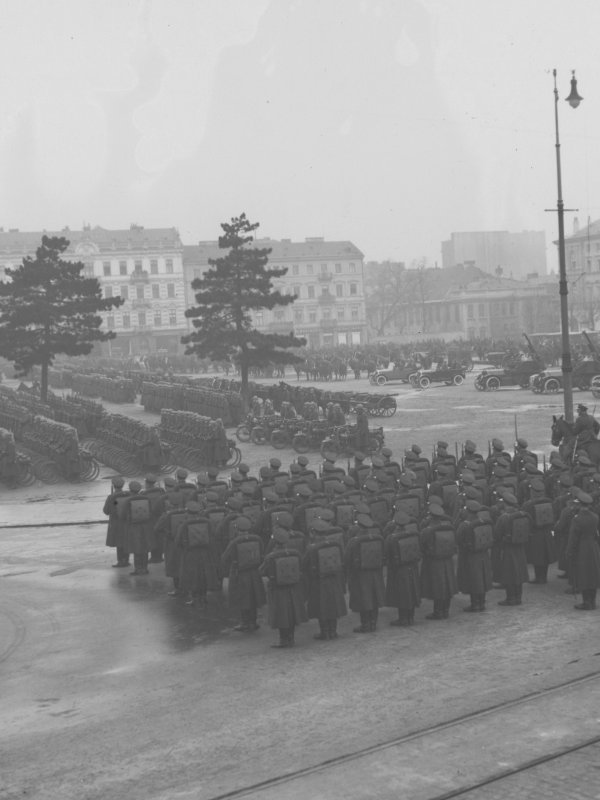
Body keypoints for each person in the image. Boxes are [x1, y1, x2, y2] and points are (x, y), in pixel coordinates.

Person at [259, 528, 307, 648]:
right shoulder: (295, 553)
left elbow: (261, 571)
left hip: (277, 589)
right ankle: (291, 638)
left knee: (281, 614)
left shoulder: (271, 556)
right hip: (294, 588)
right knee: (291, 613)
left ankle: (283, 640)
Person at [303, 519, 347, 640]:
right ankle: (333, 631)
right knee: (333, 605)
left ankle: (325, 632)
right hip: (334, 579)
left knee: (321, 606)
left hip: (318, 581)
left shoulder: (312, 548)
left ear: (314, 532)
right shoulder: (336, 545)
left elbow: (304, 564)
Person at [221, 516, 266, 631]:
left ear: (237, 529)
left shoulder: (235, 541)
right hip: (255, 572)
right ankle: (253, 622)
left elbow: (225, 558)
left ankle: (245, 623)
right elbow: (262, 554)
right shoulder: (257, 539)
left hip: (239, 573)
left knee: (243, 598)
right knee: (253, 596)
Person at [344, 515, 385, 633]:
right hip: (376, 573)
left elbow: (347, 559)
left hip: (360, 575)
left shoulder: (354, 541)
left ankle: (365, 624)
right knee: (374, 597)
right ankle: (373, 623)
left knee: (364, 599)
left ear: (358, 526)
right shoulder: (379, 538)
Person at [419, 505, 457, 620]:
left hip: (433, 561)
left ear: (430, 516)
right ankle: (445, 610)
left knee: (437, 586)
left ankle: (438, 612)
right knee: (447, 584)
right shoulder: (449, 527)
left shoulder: (427, 530)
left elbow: (421, 544)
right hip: (448, 560)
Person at [455, 501, 493, 612]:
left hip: (469, 556)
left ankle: (475, 604)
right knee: (481, 578)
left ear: (467, 510)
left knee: (473, 580)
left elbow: (458, 539)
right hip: (484, 554)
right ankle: (481, 602)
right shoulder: (484, 522)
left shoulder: (464, 525)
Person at [565, 492, 600, 610]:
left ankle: (586, 602)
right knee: (593, 574)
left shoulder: (577, 519)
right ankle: (593, 601)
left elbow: (573, 538)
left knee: (584, 575)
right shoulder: (595, 516)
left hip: (582, 549)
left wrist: (569, 552)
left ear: (580, 504)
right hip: (594, 547)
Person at [103, 476, 130, 568]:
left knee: (119, 542)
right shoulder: (128, 494)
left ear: (113, 486)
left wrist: (112, 501)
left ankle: (121, 561)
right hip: (127, 522)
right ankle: (126, 560)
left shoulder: (112, 497)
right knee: (126, 541)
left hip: (116, 523)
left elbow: (106, 511)